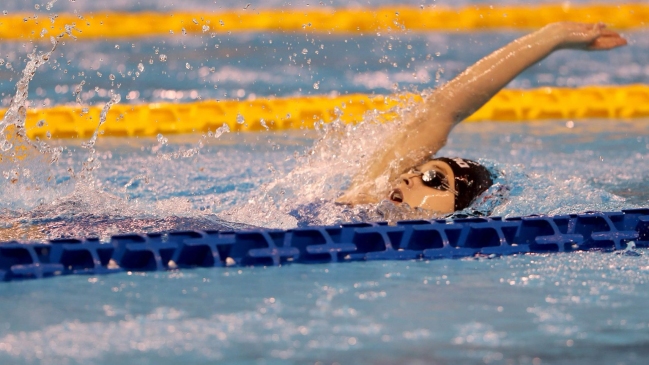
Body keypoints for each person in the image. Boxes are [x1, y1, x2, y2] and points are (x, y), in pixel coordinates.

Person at [336, 22, 627, 215]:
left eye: (432, 179)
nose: (409, 176)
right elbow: (442, 108)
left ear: (461, 210)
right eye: (417, 170)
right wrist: (554, 36)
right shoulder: (360, 201)